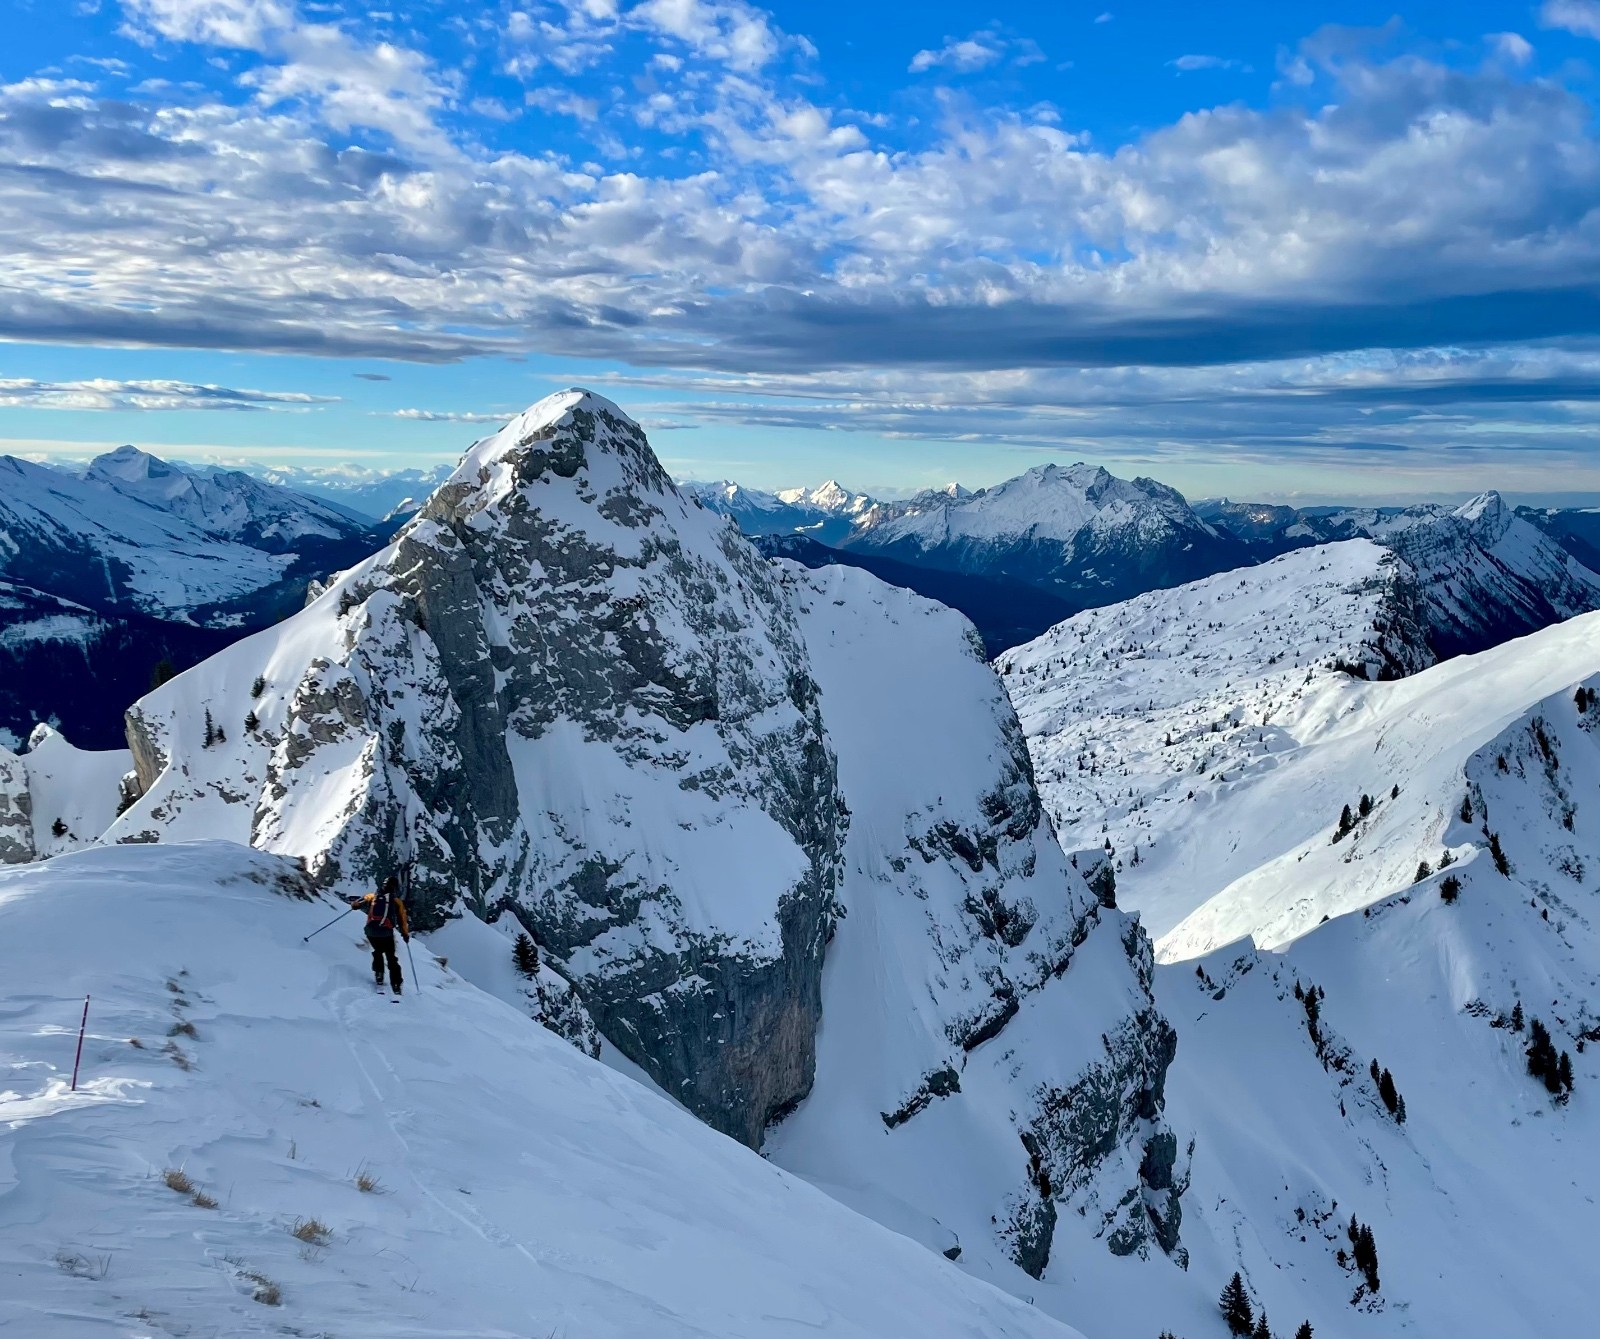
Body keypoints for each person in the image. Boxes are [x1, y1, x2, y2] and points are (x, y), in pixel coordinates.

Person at [349, 875, 409, 995]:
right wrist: (405, 935)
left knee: (377, 951)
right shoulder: (396, 901)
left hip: (370, 932)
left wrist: (355, 906)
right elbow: (402, 920)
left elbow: (357, 903)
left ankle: (379, 975)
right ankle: (396, 984)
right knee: (391, 957)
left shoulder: (373, 896)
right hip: (386, 934)